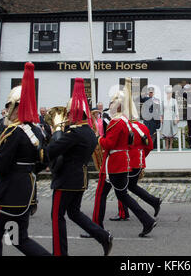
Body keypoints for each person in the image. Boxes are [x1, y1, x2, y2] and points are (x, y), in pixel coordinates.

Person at [0, 62, 51, 256]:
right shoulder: (36, 130)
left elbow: (1, 166)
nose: (7, 111)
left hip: (8, 193)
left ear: (15, 107)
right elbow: (43, 160)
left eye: (8, 107)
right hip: (28, 190)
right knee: (18, 238)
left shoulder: (13, 131)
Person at [46, 78, 113, 256]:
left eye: (68, 114)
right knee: (74, 212)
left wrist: (57, 131)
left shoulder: (74, 133)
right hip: (80, 178)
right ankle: (102, 236)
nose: (67, 117)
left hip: (67, 179)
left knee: (57, 216)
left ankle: (59, 253)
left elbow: (52, 150)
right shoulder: (89, 132)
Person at [91, 83, 157, 237]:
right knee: (122, 195)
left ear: (118, 104)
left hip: (113, 163)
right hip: (123, 162)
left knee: (100, 194)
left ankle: (96, 227)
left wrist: (99, 138)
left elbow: (109, 143)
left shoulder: (115, 122)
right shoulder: (125, 122)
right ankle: (146, 220)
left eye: (113, 102)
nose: (111, 105)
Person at [110, 119, 162, 222]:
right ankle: (154, 201)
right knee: (131, 186)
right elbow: (149, 146)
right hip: (138, 162)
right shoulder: (142, 126)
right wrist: (141, 158)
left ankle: (124, 213)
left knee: (121, 189)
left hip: (127, 162)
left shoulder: (123, 126)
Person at [160, 86, 179, 150]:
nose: (169, 94)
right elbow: (161, 110)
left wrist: (177, 117)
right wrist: (161, 118)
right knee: (166, 132)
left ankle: (171, 145)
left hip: (172, 117)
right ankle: (166, 145)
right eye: (168, 93)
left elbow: (176, 110)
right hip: (165, 118)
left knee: (171, 132)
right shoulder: (163, 101)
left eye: (170, 93)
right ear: (166, 93)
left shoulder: (174, 100)